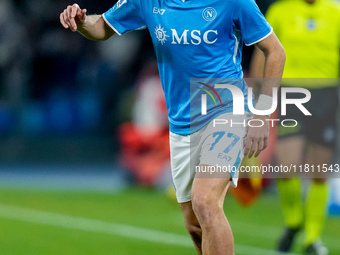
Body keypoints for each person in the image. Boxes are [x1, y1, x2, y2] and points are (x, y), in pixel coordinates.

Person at [60, 1, 285, 254]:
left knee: (205, 201)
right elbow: (102, 26)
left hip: (227, 109)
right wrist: (81, 23)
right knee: (195, 224)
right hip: (182, 121)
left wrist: (263, 114)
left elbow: (275, 51)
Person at [251, 0, 340, 254]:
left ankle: (312, 238)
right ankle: (294, 221)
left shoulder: (335, 12)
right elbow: (262, 49)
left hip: (327, 96)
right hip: (292, 94)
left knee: (319, 171)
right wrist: (258, 89)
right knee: (287, 165)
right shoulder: (280, 10)